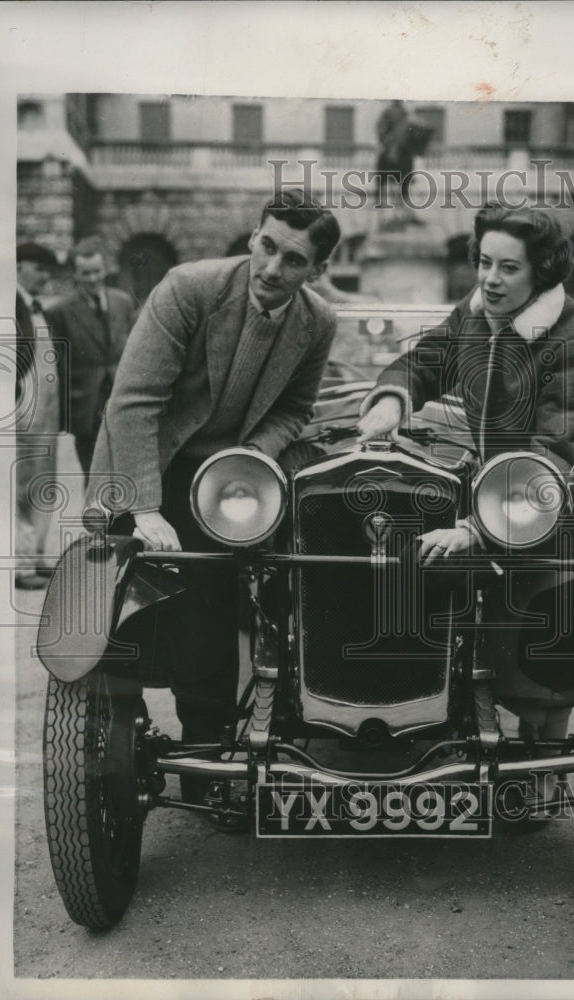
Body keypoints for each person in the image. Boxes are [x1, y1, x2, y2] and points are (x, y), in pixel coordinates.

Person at [85, 189, 341, 773]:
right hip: (142, 461)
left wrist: (251, 457)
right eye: (267, 246)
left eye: (294, 260)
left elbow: (294, 412)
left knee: (214, 605)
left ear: (318, 270)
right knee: (117, 609)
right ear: (253, 236)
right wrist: (146, 509)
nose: (272, 269)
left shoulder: (318, 322)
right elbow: (133, 402)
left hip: (222, 483)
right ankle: (107, 745)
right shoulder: (188, 287)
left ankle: (207, 757)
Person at [357, 204, 574, 787]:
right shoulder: (476, 315)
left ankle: (544, 761)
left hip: (558, 493)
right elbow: (425, 361)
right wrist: (393, 398)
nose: (490, 279)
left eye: (508, 267)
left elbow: (555, 450)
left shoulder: (571, 336)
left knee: (536, 626)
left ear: (541, 273)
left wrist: (475, 528)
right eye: (483, 262)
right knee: (446, 585)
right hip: (494, 484)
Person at [47, 237, 137, 479]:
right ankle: (97, 517)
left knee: (125, 475)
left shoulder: (123, 302)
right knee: (94, 478)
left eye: (96, 271)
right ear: (75, 274)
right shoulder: (59, 313)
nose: (92, 279)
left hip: (121, 402)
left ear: (106, 269)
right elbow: (58, 367)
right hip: (86, 409)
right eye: (85, 273)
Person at [15, 242, 61, 590]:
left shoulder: (36, 308)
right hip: (22, 412)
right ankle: (21, 565)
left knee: (43, 485)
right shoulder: (9, 303)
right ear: (20, 267)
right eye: (39, 267)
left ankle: (38, 556)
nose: (45, 276)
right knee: (20, 488)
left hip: (46, 416)